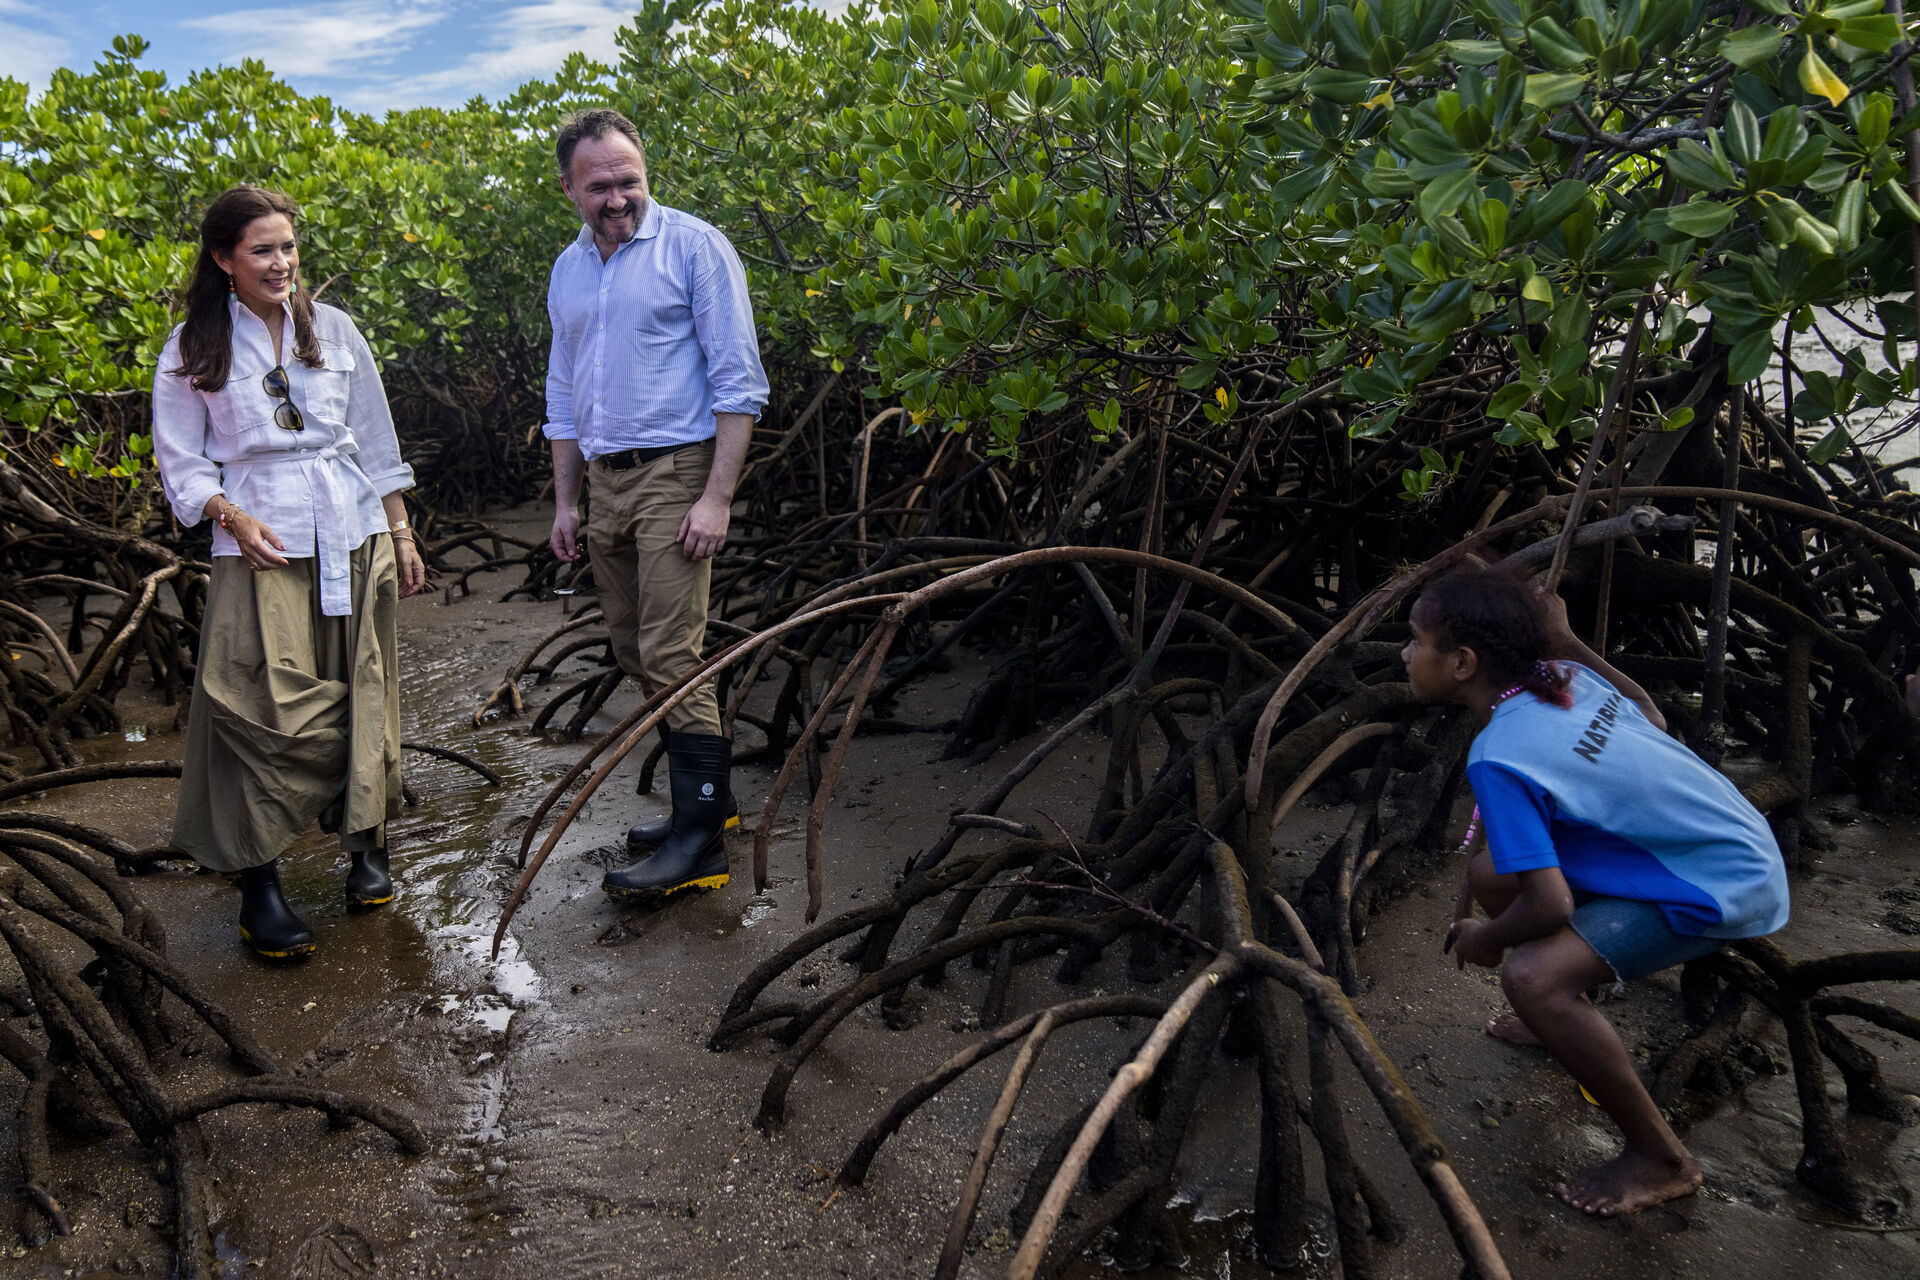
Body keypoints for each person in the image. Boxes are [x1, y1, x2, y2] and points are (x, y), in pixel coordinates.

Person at [1401, 564, 1789, 1217]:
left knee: (1529, 976)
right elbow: (1651, 716)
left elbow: (1549, 904)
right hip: (1734, 841)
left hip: (1723, 884)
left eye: (1416, 641)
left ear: (1463, 662)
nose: (1405, 654)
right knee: (1491, 873)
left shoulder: (1499, 754)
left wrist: (1486, 940)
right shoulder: (1566, 679)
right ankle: (1568, 1008)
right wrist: (1569, 641)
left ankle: (1660, 1158)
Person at [152, 185, 427, 960]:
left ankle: (367, 847)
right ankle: (260, 884)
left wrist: (401, 533)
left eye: (289, 247)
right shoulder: (193, 346)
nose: (282, 263)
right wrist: (233, 517)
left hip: (354, 529)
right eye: (263, 250)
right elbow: (180, 459)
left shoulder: (333, 329)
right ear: (224, 260)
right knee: (258, 709)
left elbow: (375, 436)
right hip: (260, 542)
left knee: (366, 683)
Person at [540, 108, 769, 903]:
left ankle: (699, 841)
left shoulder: (695, 247)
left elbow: (740, 378)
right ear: (568, 187)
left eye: (629, 181)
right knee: (635, 650)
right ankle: (710, 805)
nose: (617, 199)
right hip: (605, 480)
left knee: (673, 654)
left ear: (647, 173)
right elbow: (563, 392)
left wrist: (716, 498)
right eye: (599, 186)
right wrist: (566, 501)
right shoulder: (568, 270)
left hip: (679, 471)